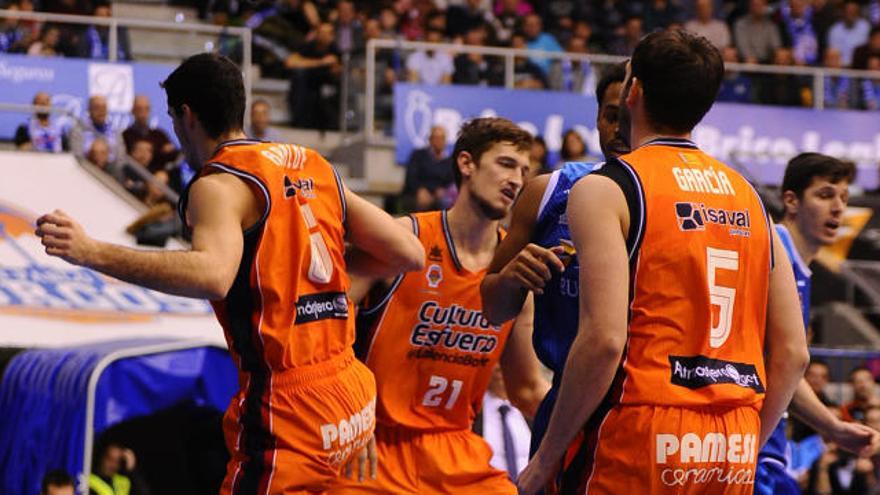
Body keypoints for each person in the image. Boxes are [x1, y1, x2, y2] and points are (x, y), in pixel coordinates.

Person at [36, 52, 426, 494]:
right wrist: (299, 266)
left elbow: (212, 274)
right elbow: (406, 252)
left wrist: (92, 251)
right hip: (352, 390)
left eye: (174, 119)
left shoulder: (218, 184)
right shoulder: (311, 163)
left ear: (186, 115)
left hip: (290, 404)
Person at [514, 30, 809, 494]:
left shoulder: (606, 187)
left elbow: (605, 341)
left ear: (634, 92)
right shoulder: (751, 198)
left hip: (643, 427)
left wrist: (544, 458)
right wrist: (748, 444)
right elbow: (793, 352)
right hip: (733, 439)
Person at [327, 117, 549, 495]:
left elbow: (526, 389)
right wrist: (346, 412)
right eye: (506, 164)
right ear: (467, 164)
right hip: (376, 444)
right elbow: (323, 325)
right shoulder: (403, 238)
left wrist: (595, 427)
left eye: (525, 171)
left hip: (456, 449)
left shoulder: (514, 269)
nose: (517, 180)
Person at [481, 61, 627, 464]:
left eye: (631, 118)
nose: (621, 130)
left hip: (656, 411)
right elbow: (492, 305)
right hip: (570, 408)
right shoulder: (550, 191)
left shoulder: (684, 203)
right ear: (597, 118)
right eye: (612, 117)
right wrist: (511, 278)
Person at [756, 152, 878, 494]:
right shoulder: (773, 249)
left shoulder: (800, 268)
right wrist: (834, 427)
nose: (839, 207)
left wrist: (834, 427)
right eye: (825, 195)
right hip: (753, 447)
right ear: (791, 200)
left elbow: (789, 369)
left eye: (843, 197)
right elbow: (779, 362)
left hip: (769, 446)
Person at [478, 365, 532, 480]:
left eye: (506, 359)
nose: (500, 366)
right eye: (496, 359)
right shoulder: (472, 413)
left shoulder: (532, 411)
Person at [401, 125, 454, 212]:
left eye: (442, 138)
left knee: (447, 201)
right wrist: (420, 189)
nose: (439, 141)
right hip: (417, 192)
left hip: (439, 195)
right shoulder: (418, 155)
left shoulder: (449, 161)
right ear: (430, 140)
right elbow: (411, 177)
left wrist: (442, 190)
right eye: (436, 138)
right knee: (421, 201)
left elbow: (450, 181)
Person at [122, 95, 178, 172]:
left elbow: (174, 154)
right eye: (139, 109)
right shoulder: (126, 135)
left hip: (159, 174)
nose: (143, 113)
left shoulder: (159, 134)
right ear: (132, 111)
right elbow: (122, 159)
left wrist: (152, 150)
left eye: (146, 109)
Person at [70, 95, 126, 166]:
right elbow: (77, 156)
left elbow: (121, 158)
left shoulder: (114, 131)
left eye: (104, 108)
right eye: (97, 108)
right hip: (87, 169)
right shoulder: (79, 130)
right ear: (89, 110)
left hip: (111, 170)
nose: (101, 111)